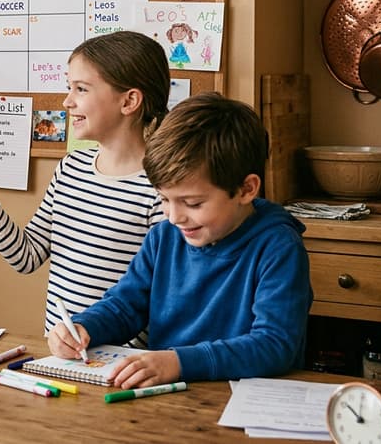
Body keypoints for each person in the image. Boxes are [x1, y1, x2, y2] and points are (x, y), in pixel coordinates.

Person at [51, 93, 313, 388]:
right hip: (168, 398)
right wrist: (84, 327)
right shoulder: (164, 237)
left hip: (245, 401)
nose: (174, 216)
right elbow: (124, 306)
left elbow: (274, 345)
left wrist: (178, 362)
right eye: (164, 199)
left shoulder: (278, 247)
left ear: (246, 189)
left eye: (193, 203)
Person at [0, 31, 169, 345]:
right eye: (68, 87)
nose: (67, 101)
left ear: (129, 100)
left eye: (81, 89)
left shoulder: (162, 190)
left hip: (122, 366)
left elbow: (161, 297)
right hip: (62, 356)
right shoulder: (70, 169)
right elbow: (27, 256)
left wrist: (122, 357)